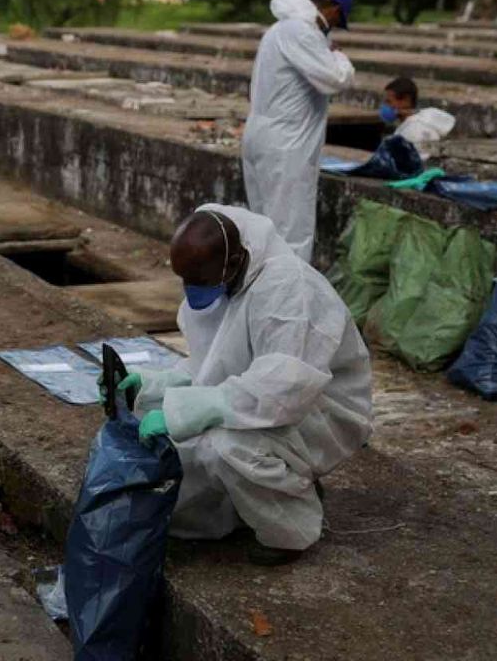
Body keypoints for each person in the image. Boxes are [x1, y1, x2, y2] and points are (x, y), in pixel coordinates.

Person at [116, 205, 373, 565]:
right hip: (263, 396)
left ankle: (291, 529)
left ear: (235, 261)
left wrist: (182, 412)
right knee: (169, 438)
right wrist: (151, 387)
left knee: (225, 446)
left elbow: (282, 389)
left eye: (199, 282)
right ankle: (269, 489)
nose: (193, 292)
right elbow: (214, 366)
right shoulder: (225, 276)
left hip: (317, 411)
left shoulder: (287, 291)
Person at [241, 0, 357, 262]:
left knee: (262, 229)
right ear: (335, 11)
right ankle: (287, 303)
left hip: (261, 135)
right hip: (286, 145)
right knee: (290, 235)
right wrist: (338, 55)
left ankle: (261, 298)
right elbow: (335, 79)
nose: (332, 29)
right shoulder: (302, 32)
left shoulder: (278, 30)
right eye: (338, 22)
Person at [380, 76, 455, 160]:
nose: (384, 106)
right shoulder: (415, 121)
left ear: (405, 100)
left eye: (388, 101)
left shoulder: (415, 130)